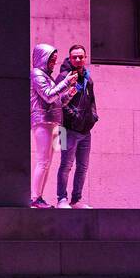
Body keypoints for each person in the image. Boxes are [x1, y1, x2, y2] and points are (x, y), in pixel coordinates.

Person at [30, 43, 79, 208]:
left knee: (48, 161)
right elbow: (48, 96)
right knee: (43, 160)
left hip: (54, 122)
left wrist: (69, 92)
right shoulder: (36, 74)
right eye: (51, 60)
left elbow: (58, 101)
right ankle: (35, 197)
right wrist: (65, 82)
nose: (53, 63)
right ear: (43, 58)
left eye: (55, 60)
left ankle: (39, 198)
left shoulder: (47, 77)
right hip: (43, 121)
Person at [55, 44, 98, 208]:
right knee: (66, 164)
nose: (78, 60)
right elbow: (57, 102)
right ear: (70, 58)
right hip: (66, 129)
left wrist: (93, 117)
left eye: (81, 57)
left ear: (85, 58)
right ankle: (61, 199)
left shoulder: (88, 78)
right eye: (75, 57)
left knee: (83, 166)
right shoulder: (63, 77)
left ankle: (76, 200)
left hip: (85, 130)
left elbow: (92, 100)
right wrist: (75, 115)